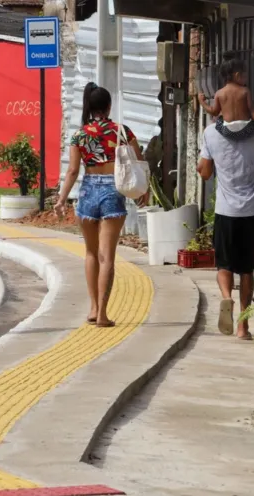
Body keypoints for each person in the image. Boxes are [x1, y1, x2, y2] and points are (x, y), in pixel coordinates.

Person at [55, 83, 148, 328]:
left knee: (90, 253)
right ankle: (104, 315)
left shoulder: (79, 134)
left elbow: (73, 170)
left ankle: (93, 308)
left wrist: (62, 199)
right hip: (112, 190)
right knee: (107, 257)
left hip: (87, 190)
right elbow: (138, 162)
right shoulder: (122, 131)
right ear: (108, 106)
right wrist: (144, 190)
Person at [197, 108, 254, 340]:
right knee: (247, 270)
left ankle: (226, 297)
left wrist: (200, 167)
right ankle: (243, 327)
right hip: (252, 211)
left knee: (224, 264)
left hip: (225, 210)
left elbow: (205, 172)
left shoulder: (211, 132)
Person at [198, 52, 254, 140]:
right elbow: (253, 110)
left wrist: (202, 102)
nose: (246, 78)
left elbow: (214, 112)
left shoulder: (219, 93)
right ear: (237, 75)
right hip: (246, 131)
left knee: (219, 120)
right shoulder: (245, 91)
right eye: (244, 76)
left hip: (227, 132)